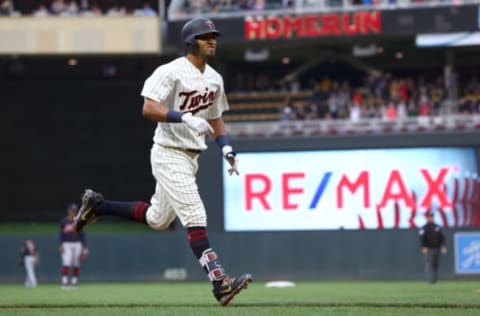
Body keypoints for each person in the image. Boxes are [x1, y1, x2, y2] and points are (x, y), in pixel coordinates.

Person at [73, 16, 252, 306]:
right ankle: (220, 283)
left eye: (214, 36)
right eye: (206, 37)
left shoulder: (215, 79)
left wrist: (226, 149)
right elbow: (148, 107)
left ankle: (98, 205)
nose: (212, 40)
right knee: (195, 214)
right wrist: (182, 116)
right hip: (169, 151)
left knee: (158, 219)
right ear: (191, 41)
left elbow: (216, 118)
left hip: (190, 156)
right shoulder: (171, 71)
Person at [60, 203, 89, 289]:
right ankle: (64, 282)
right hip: (67, 243)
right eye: (72, 210)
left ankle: (74, 282)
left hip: (77, 243)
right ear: (68, 211)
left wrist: (84, 247)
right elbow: (61, 234)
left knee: (76, 263)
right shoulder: (64, 221)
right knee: (66, 262)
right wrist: (61, 244)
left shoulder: (79, 221)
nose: (73, 212)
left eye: (75, 211)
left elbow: (82, 235)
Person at [418, 212, 447, 284]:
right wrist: (423, 247)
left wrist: (443, 246)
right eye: (429, 217)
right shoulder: (424, 228)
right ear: (427, 218)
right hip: (429, 249)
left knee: (435, 264)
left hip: (437, 248)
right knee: (429, 264)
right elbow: (422, 238)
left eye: (432, 217)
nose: (431, 218)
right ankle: (429, 280)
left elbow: (442, 238)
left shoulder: (437, 227)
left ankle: (435, 280)